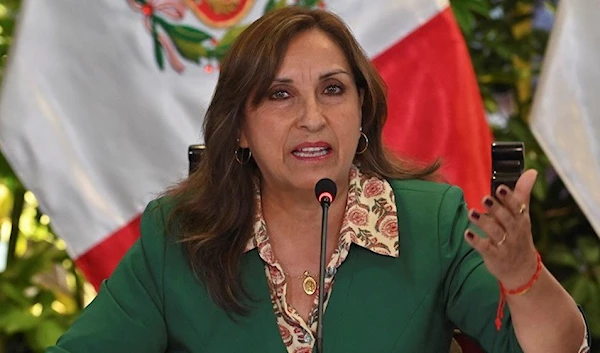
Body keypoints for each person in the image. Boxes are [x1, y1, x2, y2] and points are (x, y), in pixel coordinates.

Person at [46, 6, 590, 353]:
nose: (312, 117)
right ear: (238, 129)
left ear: (362, 111)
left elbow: (558, 350)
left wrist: (522, 274)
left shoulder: (433, 222)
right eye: (280, 94)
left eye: (332, 89)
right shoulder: (180, 237)